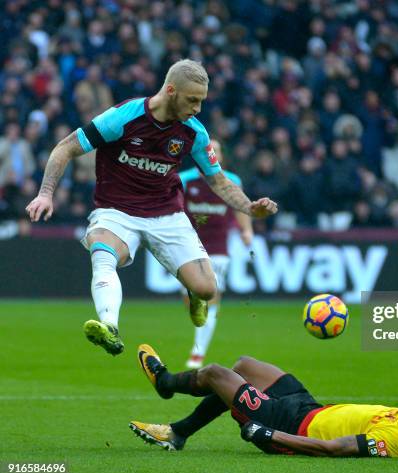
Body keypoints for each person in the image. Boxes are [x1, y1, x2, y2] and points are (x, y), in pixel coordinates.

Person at [25, 59, 278, 356]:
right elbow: (65, 148)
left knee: (208, 290)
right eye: (192, 100)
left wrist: (250, 207)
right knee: (102, 254)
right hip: (116, 211)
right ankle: (109, 326)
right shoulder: (123, 117)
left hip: (166, 214)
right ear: (171, 91)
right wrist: (45, 193)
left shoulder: (195, 133)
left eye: (201, 102)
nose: (197, 109)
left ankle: (194, 292)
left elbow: (219, 181)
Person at [129, 345, 398, 456]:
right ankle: (181, 433)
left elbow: (332, 449)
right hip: (311, 407)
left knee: (213, 375)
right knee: (245, 364)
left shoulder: (393, 439)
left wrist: (268, 433)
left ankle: (167, 383)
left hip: (287, 424)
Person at [179, 138, 253, 368]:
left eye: (216, 150)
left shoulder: (231, 181)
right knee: (191, 301)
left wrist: (247, 229)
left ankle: (198, 352)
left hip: (219, 249)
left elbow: (239, 206)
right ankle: (198, 321)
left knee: (210, 298)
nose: (212, 153)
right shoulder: (185, 179)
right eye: (208, 149)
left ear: (220, 156)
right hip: (188, 247)